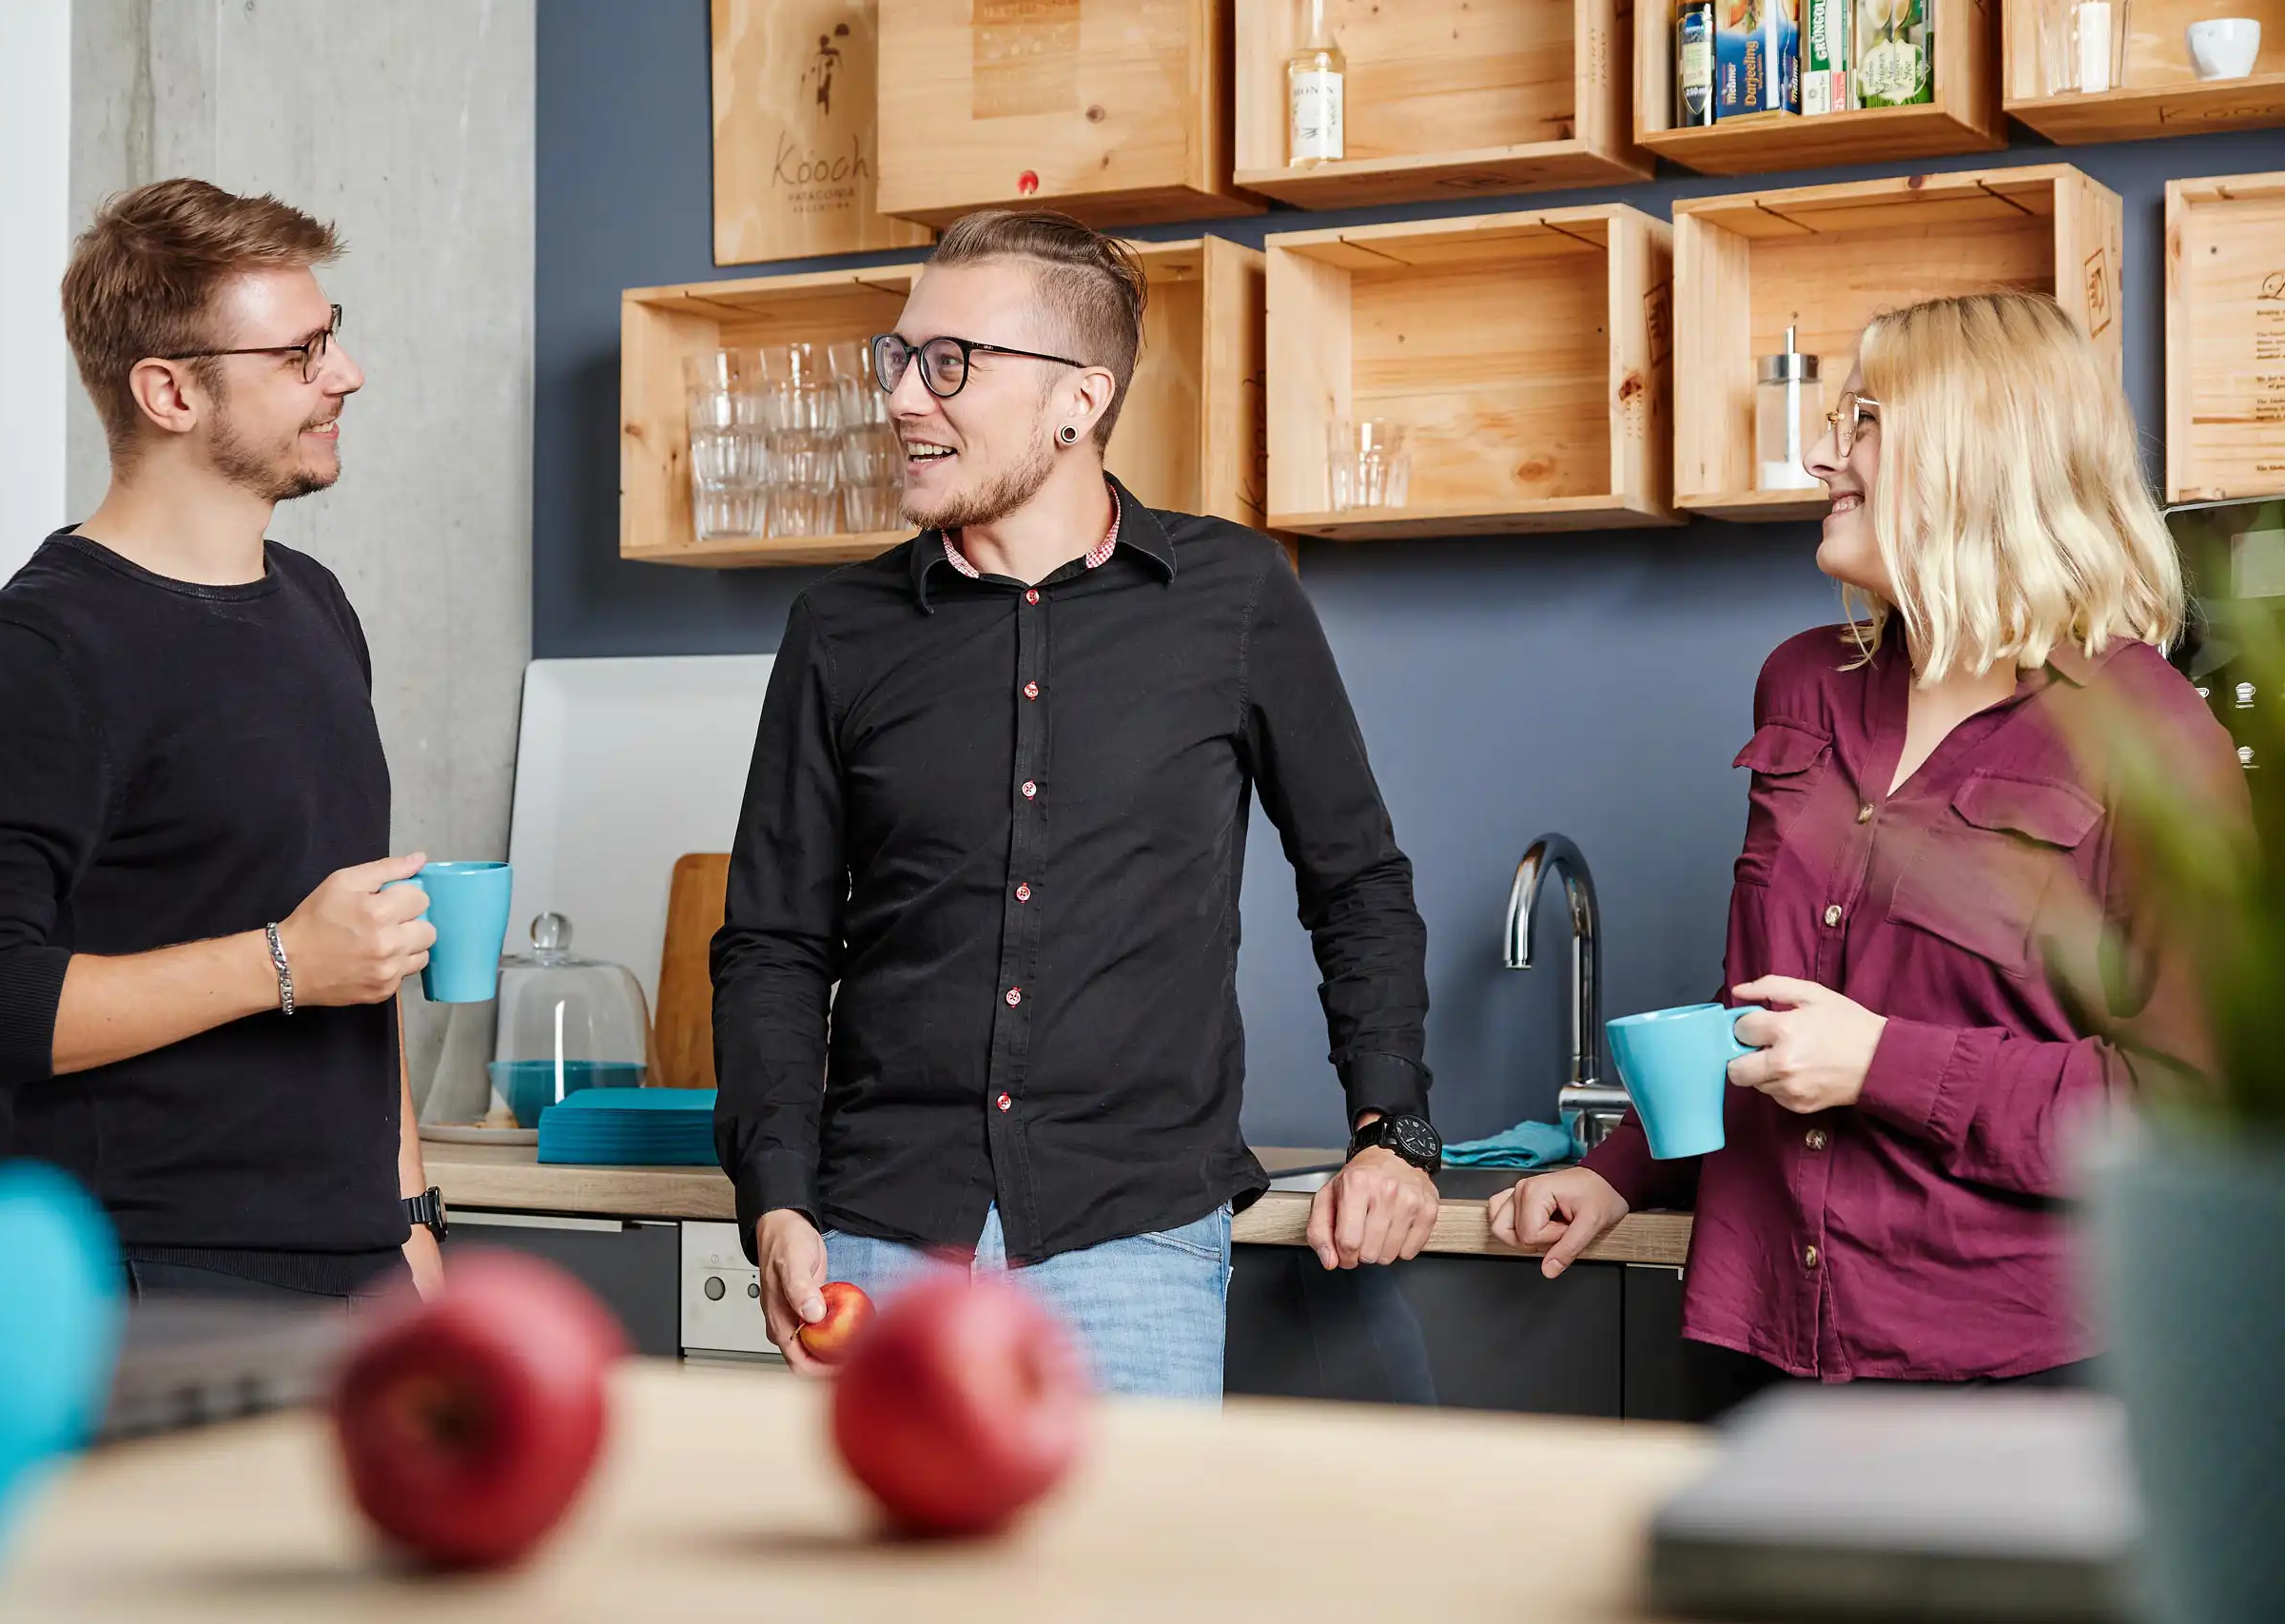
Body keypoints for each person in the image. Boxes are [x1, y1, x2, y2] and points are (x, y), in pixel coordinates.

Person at [712, 209, 1444, 1399]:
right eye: (897, 357)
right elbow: (774, 946)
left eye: (949, 363)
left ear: (1078, 399)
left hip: (1133, 1248)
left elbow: (1355, 885)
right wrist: (777, 1197)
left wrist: (1392, 1129)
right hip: (875, 1242)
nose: (903, 396)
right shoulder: (835, 633)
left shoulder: (1236, 595)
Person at [1487, 291, 2244, 1416]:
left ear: (1975, 452)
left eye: (1860, 421)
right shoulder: (1803, 681)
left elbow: (2185, 1110)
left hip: (2016, 1372)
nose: (1816, 454)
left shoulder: (2150, 733)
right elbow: (1755, 1011)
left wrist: (1880, 1064)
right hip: (1759, 1342)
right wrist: (1617, 1173)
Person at [0, 178, 449, 1304]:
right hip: (146, 1284)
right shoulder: (37, 652)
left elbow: (359, 959)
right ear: (171, 392)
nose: (347, 373)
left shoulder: (316, 605)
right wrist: (282, 963)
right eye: (300, 355)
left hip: (361, 1274)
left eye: (331, 337)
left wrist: (411, 1220)